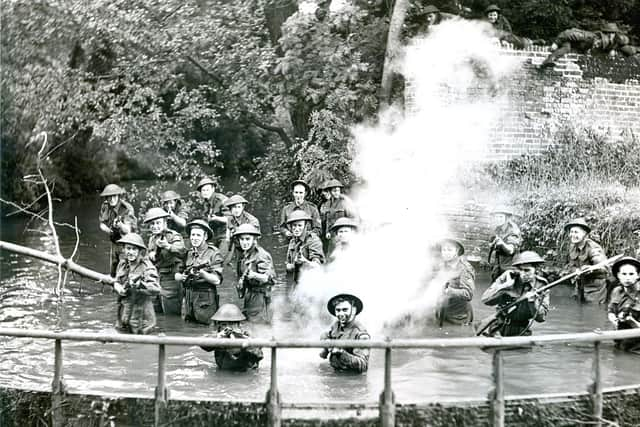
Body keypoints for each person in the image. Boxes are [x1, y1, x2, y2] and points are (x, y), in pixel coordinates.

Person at [481, 251, 550, 337]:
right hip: (499, 327)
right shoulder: (507, 277)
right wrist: (505, 287)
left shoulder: (541, 285)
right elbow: (485, 300)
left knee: (521, 350)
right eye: (520, 270)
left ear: (536, 269)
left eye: (527, 270)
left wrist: (532, 302)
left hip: (522, 330)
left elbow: (541, 318)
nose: (523, 274)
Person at [175, 219, 224, 324]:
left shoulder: (213, 253)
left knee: (207, 331)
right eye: (192, 235)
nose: (194, 238)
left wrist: (203, 274)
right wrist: (180, 277)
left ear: (205, 237)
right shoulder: (188, 253)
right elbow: (177, 273)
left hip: (206, 301)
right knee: (189, 330)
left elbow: (217, 281)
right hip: (188, 300)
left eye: (198, 235)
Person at [112, 233, 161, 334]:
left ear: (139, 251)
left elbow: (156, 289)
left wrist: (140, 285)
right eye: (128, 248)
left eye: (134, 249)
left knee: (141, 345)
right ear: (124, 249)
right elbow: (117, 280)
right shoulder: (122, 264)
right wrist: (118, 287)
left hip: (142, 318)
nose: (130, 252)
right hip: (123, 314)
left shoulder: (147, 267)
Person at [143, 207, 186, 315]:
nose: (155, 226)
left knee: (171, 314)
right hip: (157, 277)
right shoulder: (152, 238)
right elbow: (149, 256)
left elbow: (182, 251)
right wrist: (150, 255)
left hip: (171, 278)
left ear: (165, 222)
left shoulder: (173, 235)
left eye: (158, 223)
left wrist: (168, 246)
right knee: (156, 312)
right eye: (152, 224)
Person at [199, 304, 264, 371]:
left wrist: (240, 342)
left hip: (243, 376)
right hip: (223, 374)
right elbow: (202, 343)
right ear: (219, 326)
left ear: (239, 325)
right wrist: (218, 337)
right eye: (224, 325)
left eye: (232, 324)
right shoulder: (219, 337)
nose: (228, 327)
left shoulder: (246, 337)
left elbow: (258, 354)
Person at [233, 224, 276, 323]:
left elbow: (267, 278)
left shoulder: (261, 255)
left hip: (261, 297)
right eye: (242, 239)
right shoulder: (244, 254)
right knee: (249, 323)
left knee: (259, 326)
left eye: (248, 239)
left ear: (254, 239)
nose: (244, 242)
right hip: (250, 295)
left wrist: (254, 275)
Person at [561, 218, 608, 304]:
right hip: (579, 286)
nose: (573, 235)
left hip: (594, 288)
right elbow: (569, 265)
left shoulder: (593, 248)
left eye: (576, 232)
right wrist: (575, 271)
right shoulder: (572, 247)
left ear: (585, 234)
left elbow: (604, 268)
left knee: (593, 310)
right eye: (571, 232)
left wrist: (589, 269)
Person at [320, 293, 370, 373]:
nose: (341, 314)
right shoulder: (336, 325)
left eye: (345, 310)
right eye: (338, 310)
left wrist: (340, 352)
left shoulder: (361, 334)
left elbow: (363, 365)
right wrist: (326, 343)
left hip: (351, 380)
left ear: (353, 310)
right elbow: (325, 335)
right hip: (334, 373)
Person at [540, 24, 622, 68]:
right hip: (568, 39)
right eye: (610, 33)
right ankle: (549, 60)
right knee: (566, 48)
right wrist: (556, 43)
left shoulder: (607, 43)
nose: (597, 46)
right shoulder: (588, 37)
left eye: (613, 33)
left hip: (576, 46)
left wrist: (612, 50)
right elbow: (567, 33)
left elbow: (613, 46)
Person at [433, 238, 475, 326]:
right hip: (443, 312)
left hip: (458, 317)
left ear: (457, 251)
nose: (445, 253)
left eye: (449, 250)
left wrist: (449, 291)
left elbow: (468, 294)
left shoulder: (465, 269)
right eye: (443, 249)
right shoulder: (443, 265)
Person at [98, 184, 137, 276]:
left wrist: (120, 225)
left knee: (123, 272)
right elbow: (102, 224)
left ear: (119, 196)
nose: (112, 199)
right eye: (109, 197)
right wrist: (110, 230)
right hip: (114, 242)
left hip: (126, 244)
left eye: (114, 196)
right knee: (113, 271)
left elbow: (128, 230)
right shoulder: (105, 206)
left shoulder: (127, 208)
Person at [608, 257, 640, 352]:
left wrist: (631, 322)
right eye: (624, 274)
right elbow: (611, 310)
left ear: (638, 275)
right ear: (618, 275)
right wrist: (613, 318)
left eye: (631, 274)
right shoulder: (616, 291)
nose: (627, 278)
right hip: (621, 343)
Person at [285, 210, 325, 288]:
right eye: (294, 225)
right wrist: (293, 265)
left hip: (313, 285)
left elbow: (317, 266)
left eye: (299, 225)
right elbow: (288, 266)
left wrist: (304, 261)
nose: (296, 229)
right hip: (297, 284)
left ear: (305, 226)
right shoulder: (292, 241)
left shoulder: (313, 240)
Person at [319, 179, 358, 255]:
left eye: (338, 190)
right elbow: (327, 220)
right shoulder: (326, 204)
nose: (336, 193)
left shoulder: (345, 203)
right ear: (330, 191)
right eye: (334, 191)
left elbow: (352, 219)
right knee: (331, 256)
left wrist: (349, 233)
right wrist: (328, 232)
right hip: (332, 236)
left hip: (344, 234)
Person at [193, 177, 229, 249]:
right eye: (203, 190)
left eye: (207, 190)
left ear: (213, 189)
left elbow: (230, 219)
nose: (205, 192)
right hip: (213, 235)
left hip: (224, 236)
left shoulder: (221, 200)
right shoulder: (206, 202)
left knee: (221, 257)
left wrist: (216, 218)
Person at [488, 206, 521, 282]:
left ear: (507, 218)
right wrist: (493, 244)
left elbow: (511, 250)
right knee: (494, 286)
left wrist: (502, 244)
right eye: (496, 217)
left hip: (510, 265)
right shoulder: (498, 228)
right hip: (498, 264)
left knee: (508, 288)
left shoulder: (513, 230)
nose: (498, 219)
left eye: (501, 217)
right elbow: (491, 243)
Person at [223, 194, 261, 263]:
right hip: (237, 248)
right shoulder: (230, 219)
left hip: (250, 248)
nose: (236, 210)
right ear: (230, 209)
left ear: (243, 207)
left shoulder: (252, 220)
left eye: (239, 207)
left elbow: (255, 240)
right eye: (234, 207)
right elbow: (228, 237)